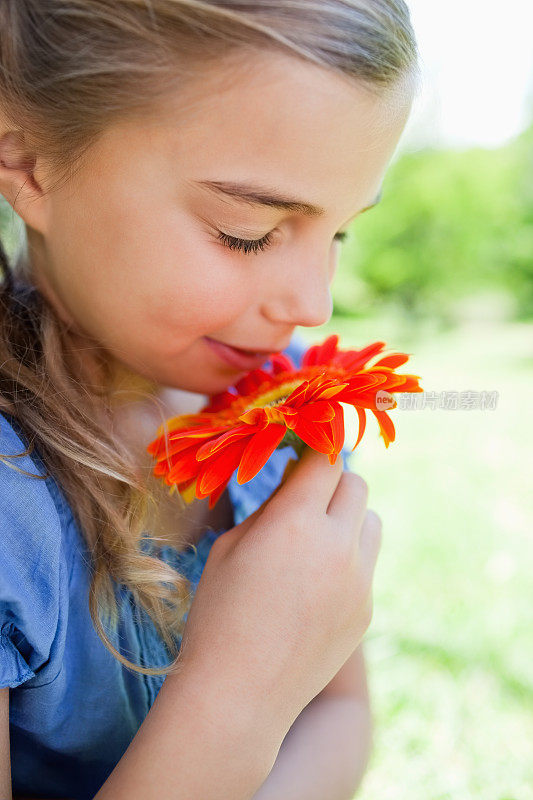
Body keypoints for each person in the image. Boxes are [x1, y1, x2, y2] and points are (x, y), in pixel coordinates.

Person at [0, 2, 420, 797]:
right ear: (27, 165)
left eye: (337, 233)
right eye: (247, 231)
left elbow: (338, 713)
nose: (312, 304)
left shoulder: (284, 413)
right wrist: (238, 696)